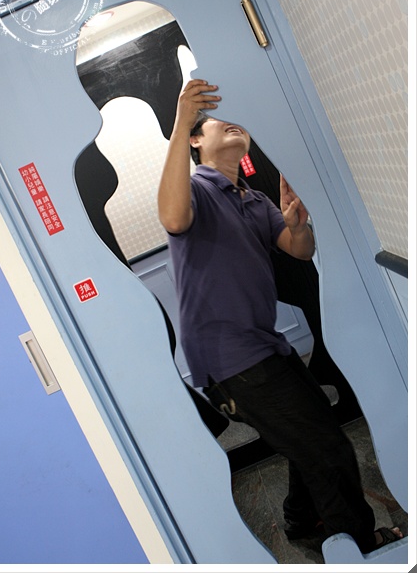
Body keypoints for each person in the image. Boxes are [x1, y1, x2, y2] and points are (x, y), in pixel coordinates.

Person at [157, 79, 403, 553]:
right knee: (326, 447)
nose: (234, 125)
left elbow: (298, 250)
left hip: (264, 344)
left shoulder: (253, 199)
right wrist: (180, 123)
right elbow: (172, 219)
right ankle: (360, 546)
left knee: (311, 432)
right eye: (219, 123)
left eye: (239, 123)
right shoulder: (196, 189)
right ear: (196, 140)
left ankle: (303, 521)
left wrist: (297, 223)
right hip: (231, 357)